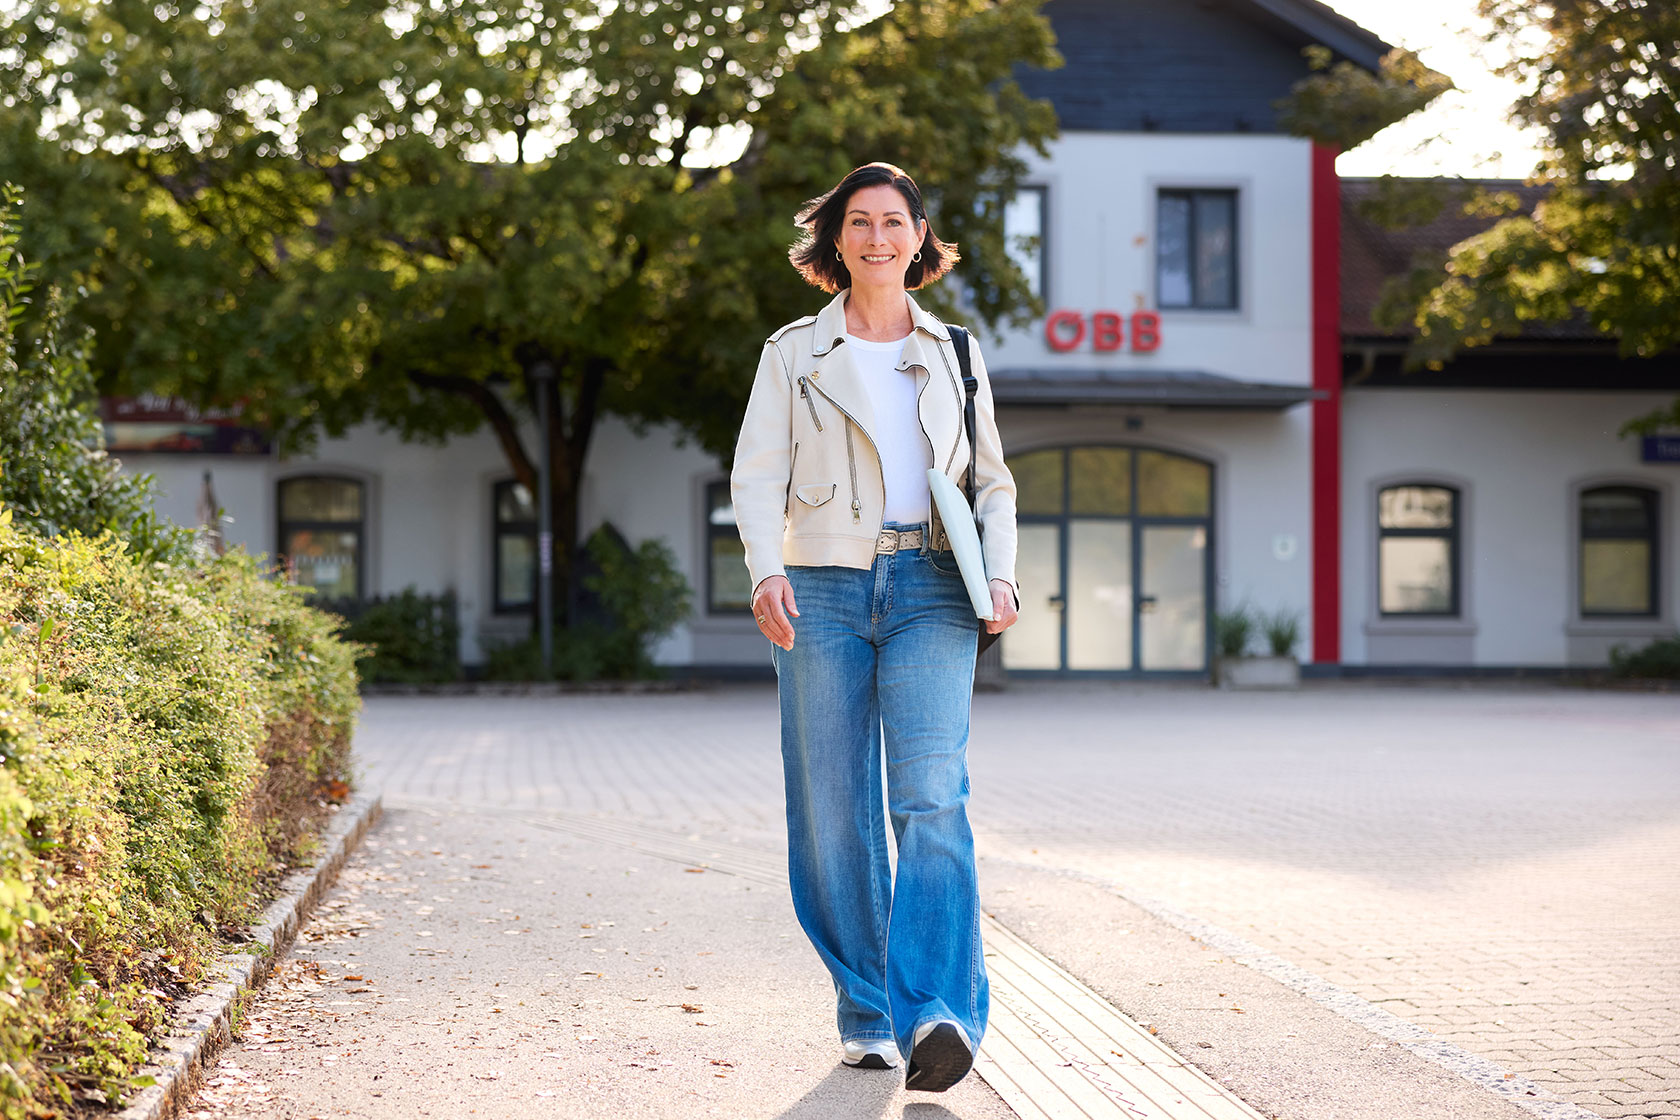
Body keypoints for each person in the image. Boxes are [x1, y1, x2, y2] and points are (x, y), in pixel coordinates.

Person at [730, 162, 1019, 1093]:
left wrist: (1001, 573)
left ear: (920, 236)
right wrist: (766, 569)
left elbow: (992, 484)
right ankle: (866, 1006)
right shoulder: (792, 353)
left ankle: (936, 1009)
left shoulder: (957, 353)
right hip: (822, 586)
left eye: (895, 221)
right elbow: (754, 473)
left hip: (933, 582)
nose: (878, 237)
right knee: (833, 808)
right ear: (836, 240)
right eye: (860, 222)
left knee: (931, 794)